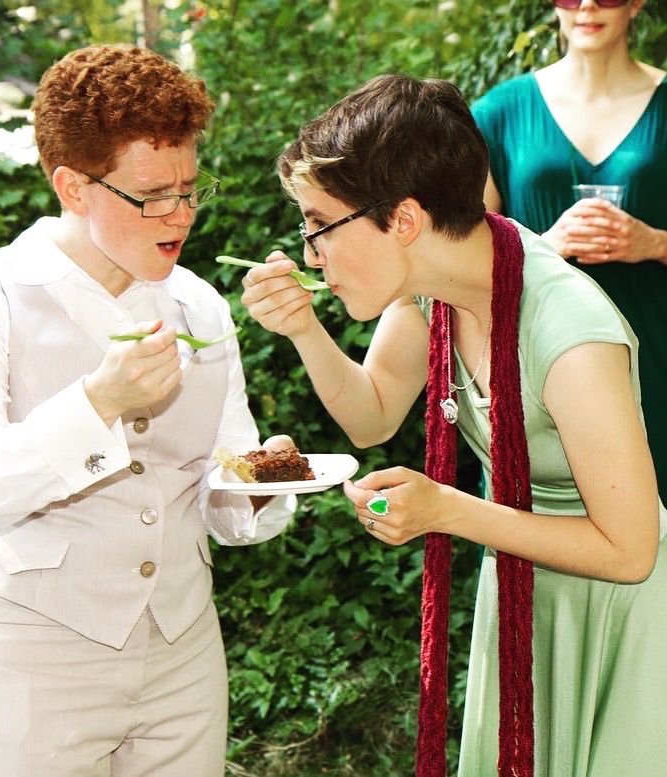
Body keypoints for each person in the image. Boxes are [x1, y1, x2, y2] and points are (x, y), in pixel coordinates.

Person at [238, 73, 667, 776]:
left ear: (403, 220)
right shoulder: (434, 289)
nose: (310, 252)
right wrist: (305, 331)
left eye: (320, 223)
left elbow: (630, 551)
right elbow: (372, 414)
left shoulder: (570, 332)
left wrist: (446, 509)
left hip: (614, 618)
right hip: (522, 590)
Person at [0, 45, 297, 777]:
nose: (180, 213)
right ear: (73, 186)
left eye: (190, 187)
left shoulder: (200, 305)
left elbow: (218, 491)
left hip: (183, 658)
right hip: (27, 666)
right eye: (153, 194)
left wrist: (264, 480)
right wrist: (98, 403)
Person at [471, 0, 667, 503]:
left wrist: (655, 243)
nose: (586, 6)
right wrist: (541, 247)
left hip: (659, 357)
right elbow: (458, 252)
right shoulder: (499, 111)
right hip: (543, 364)